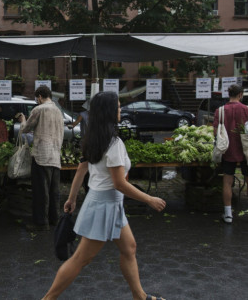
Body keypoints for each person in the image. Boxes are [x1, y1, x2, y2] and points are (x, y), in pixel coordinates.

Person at [42, 91, 166, 300]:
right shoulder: (113, 143)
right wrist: (149, 199)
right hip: (104, 205)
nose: (120, 110)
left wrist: (72, 199)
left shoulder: (94, 138)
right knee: (80, 259)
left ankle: (140, 296)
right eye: (117, 107)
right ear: (109, 112)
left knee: (129, 248)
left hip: (108, 204)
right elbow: (119, 184)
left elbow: (82, 170)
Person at [17, 85, 64, 231]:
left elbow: (26, 128)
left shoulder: (39, 109)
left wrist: (23, 119)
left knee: (41, 192)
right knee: (53, 191)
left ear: (39, 97)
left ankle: (41, 223)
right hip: (55, 155)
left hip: (41, 156)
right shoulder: (58, 111)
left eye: (36, 98)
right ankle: (54, 219)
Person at [213, 84, 248, 224]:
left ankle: (228, 214)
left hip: (227, 150)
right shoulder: (246, 110)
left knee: (227, 181)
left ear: (229, 94)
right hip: (246, 150)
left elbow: (215, 132)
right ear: (240, 95)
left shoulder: (220, 111)